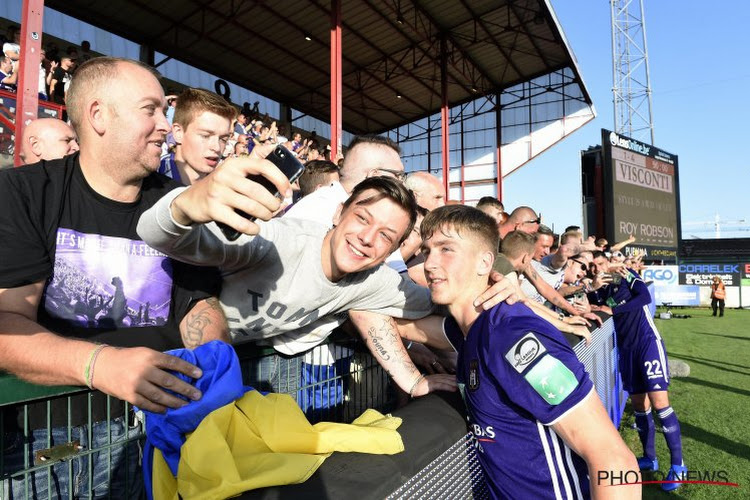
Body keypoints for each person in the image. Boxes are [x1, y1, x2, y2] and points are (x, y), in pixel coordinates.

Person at [0, 57, 231, 498]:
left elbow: (197, 303)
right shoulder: (22, 192)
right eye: (152, 109)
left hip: (160, 424)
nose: (166, 126)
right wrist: (102, 363)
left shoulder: (176, 205)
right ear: (98, 115)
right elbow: (6, 325)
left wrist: (209, 373)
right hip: (51, 439)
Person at [137, 175, 457, 397]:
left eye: (386, 235)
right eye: (362, 218)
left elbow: (434, 302)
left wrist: (501, 285)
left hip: (263, 364)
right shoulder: (279, 242)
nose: (367, 238)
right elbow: (159, 235)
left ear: (391, 251)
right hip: (172, 358)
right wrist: (184, 205)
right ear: (338, 212)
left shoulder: (374, 280)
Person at [420, 205, 639, 499]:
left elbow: (613, 458)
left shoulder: (514, 335)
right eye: (426, 250)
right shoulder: (472, 331)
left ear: (485, 262)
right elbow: (396, 323)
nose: (430, 263)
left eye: (446, 249)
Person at [588, 251, 686, 491]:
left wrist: (614, 310)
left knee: (660, 403)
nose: (598, 268)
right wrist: (592, 287)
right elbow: (595, 305)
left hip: (647, 344)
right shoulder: (605, 288)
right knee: (640, 405)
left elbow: (643, 298)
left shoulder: (627, 275)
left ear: (612, 262)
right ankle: (649, 458)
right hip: (627, 350)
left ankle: (678, 466)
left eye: (602, 263)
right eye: (594, 265)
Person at [158, 87, 235, 184]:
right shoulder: (148, 180)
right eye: (205, 136)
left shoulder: (223, 189)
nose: (217, 147)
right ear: (178, 133)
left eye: (223, 139)